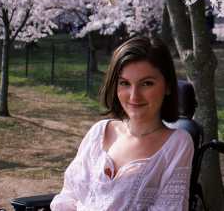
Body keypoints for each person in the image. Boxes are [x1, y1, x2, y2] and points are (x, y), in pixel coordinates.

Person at [50, 37, 194, 211]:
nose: (134, 96)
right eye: (125, 83)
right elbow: (69, 195)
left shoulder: (177, 144)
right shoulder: (98, 133)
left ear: (168, 86)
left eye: (147, 83)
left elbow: (172, 208)